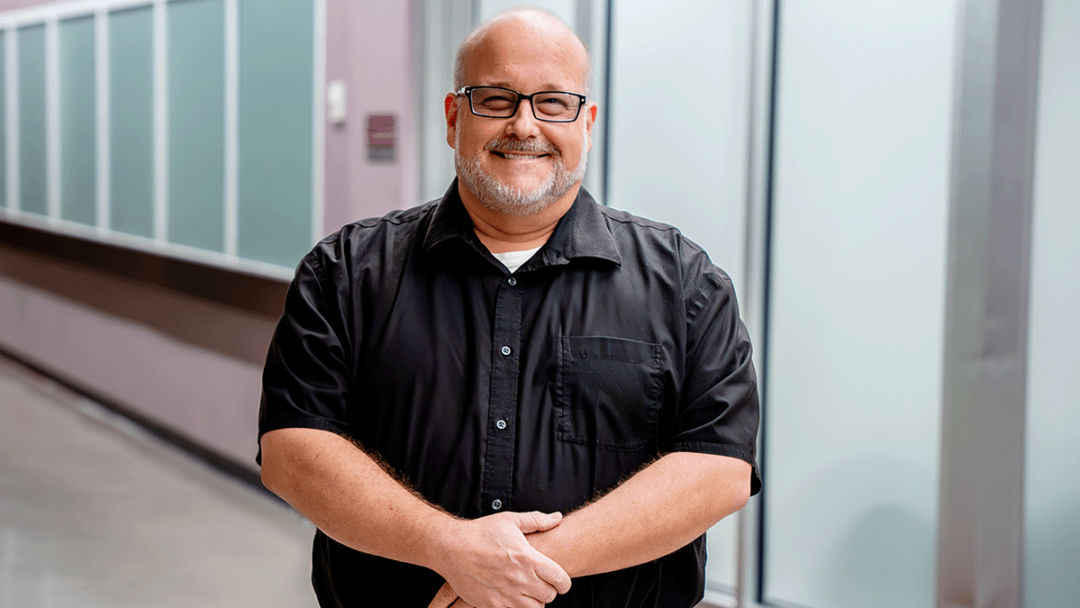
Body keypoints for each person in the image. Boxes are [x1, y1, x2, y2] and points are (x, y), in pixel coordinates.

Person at [258, 8, 760, 608]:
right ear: (453, 117)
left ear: (587, 123)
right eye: (495, 98)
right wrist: (447, 547)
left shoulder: (684, 284)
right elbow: (292, 450)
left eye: (553, 102)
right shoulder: (345, 272)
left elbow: (719, 467)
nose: (524, 124)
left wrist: (510, 569)